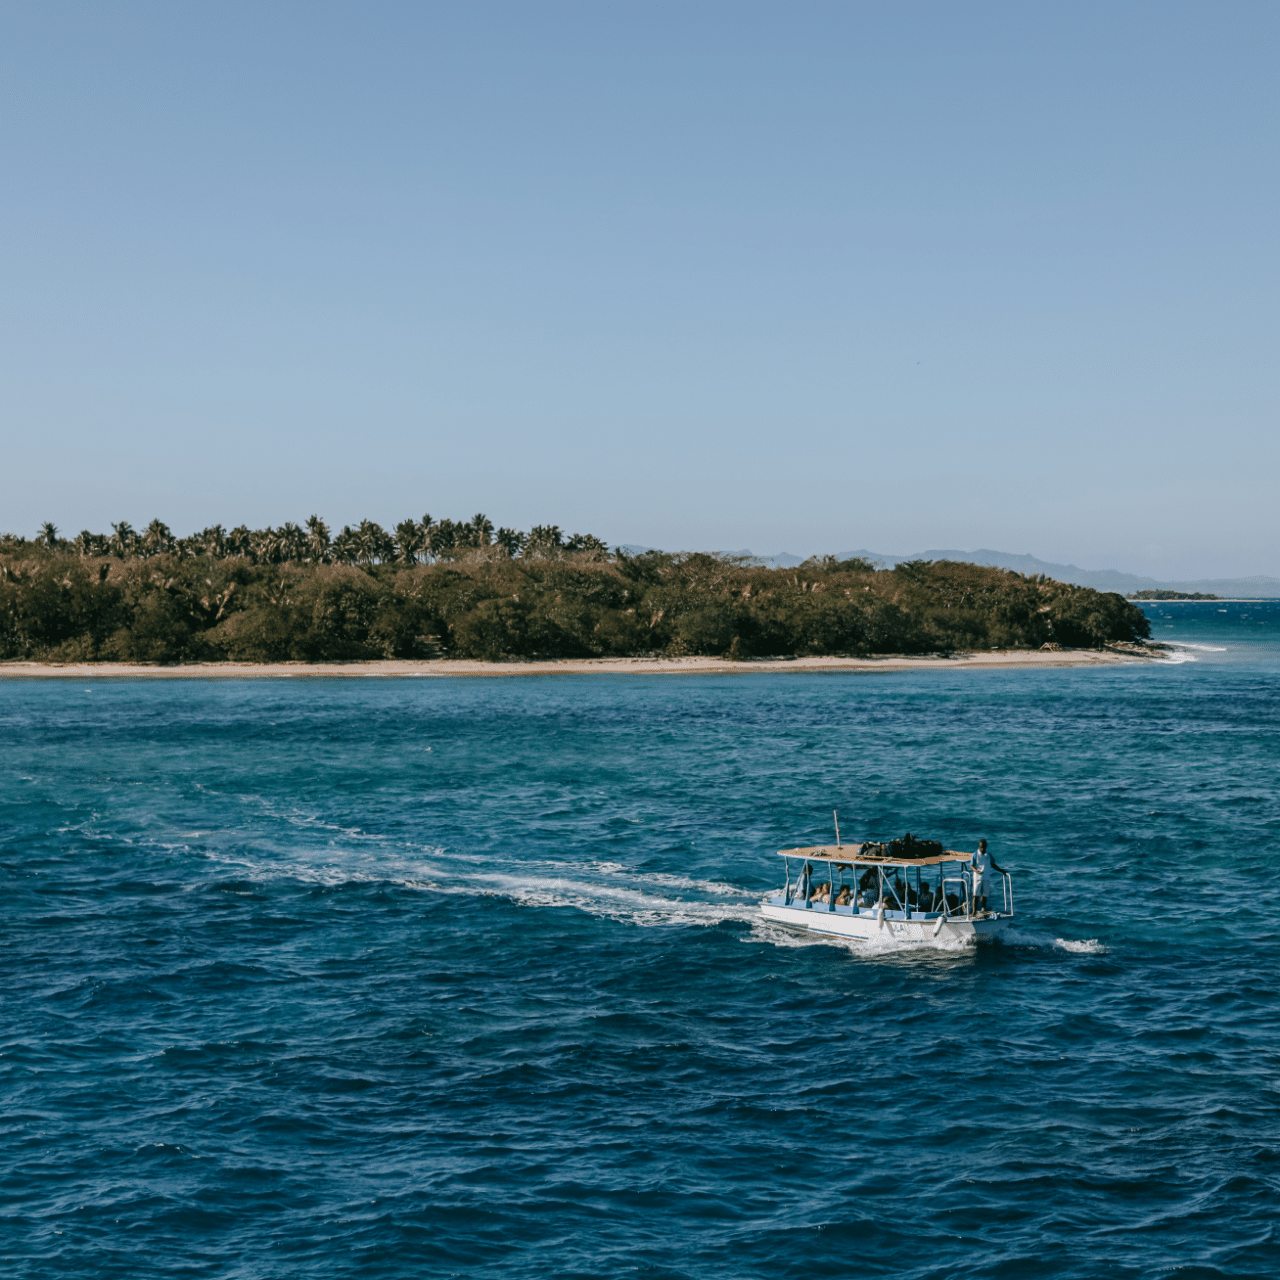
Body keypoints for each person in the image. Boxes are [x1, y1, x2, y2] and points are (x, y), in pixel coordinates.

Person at [968, 839, 1006, 915]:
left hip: (986, 877)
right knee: (975, 894)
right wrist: (976, 870)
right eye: (981, 847)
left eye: (984, 847)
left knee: (985, 894)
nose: (983, 849)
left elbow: (993, 864)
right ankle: (974, 912)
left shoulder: (988, 855)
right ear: (979, 847)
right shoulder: (975, 854)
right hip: (977, 878)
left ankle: (983, 909)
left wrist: (1001, 870)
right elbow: (971, 865)